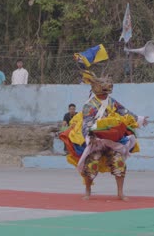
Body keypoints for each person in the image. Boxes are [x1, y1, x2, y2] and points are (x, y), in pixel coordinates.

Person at [59, 71, 148, 201]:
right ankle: (88, 191)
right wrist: (91, 137)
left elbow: (125, 112)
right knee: (92, 164)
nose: (106, 90)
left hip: (112, 139)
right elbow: (86, 123)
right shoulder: (89, 105)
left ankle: (120, 193)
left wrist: (139, 119)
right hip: (96, 139)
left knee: (119, 163)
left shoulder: (112, 102)